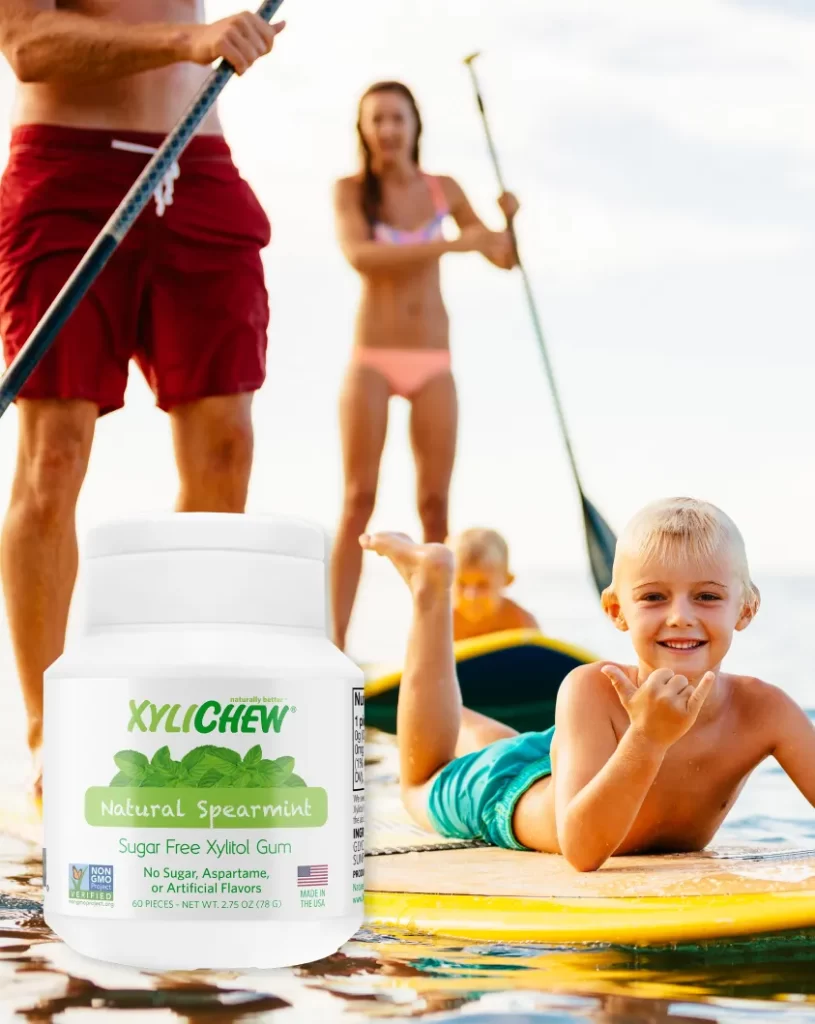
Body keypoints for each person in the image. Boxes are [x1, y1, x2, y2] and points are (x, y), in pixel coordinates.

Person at [0, 2, 286, 801]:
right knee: (53, 453)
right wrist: (186, 40)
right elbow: (26, 44)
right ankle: (46, 729)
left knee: (227, 444)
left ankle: (191, 704)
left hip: (197, 160)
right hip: (68, 166)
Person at [360, 497, 815, 871]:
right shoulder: (592, 689)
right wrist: (646, 739)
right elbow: (581, 850)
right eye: (654, 596)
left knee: (522, 742)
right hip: (509, 792)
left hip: (579, 758)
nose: (681, 615)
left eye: (708, 596)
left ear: (746, 609)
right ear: (617, 611)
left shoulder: (765, 709)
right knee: (420, 782)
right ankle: (430, 586)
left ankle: (463, 717)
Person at [330, 80, 519, 651]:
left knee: (435, 506)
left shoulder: (444, 190)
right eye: (376, 120)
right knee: (358, 498)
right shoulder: (350, 192)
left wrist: (506, 220)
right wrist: (453, 245)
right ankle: (335, 644)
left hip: (434, 359)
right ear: (364, 130)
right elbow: (363, 257)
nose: (387, 129)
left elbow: (502, 257)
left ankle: (432, 646)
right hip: (372, 358)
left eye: (396, 118)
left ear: (415, 125)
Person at [450, 527, 539, 641]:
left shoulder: (521, 622)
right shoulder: (443, 622)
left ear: (507, 581)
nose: (471, 596)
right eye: (461, 584)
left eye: (482, 585)